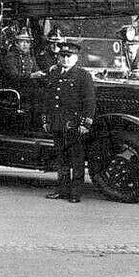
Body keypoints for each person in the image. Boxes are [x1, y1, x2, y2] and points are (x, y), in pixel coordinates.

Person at [43, 39, 96, 203]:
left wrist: (85, 123)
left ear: (76, 58)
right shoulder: (54, 73)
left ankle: (75, 193)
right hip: (57, 123)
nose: (65, 59)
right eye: (62, 56)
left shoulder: (83, 75)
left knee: (77, 160)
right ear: (58, 57)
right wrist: (46, 119)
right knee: (61, 159)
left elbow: (89, 101)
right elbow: (48, 99)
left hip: (74, 125)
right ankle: (62, 190)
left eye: (69, 56)